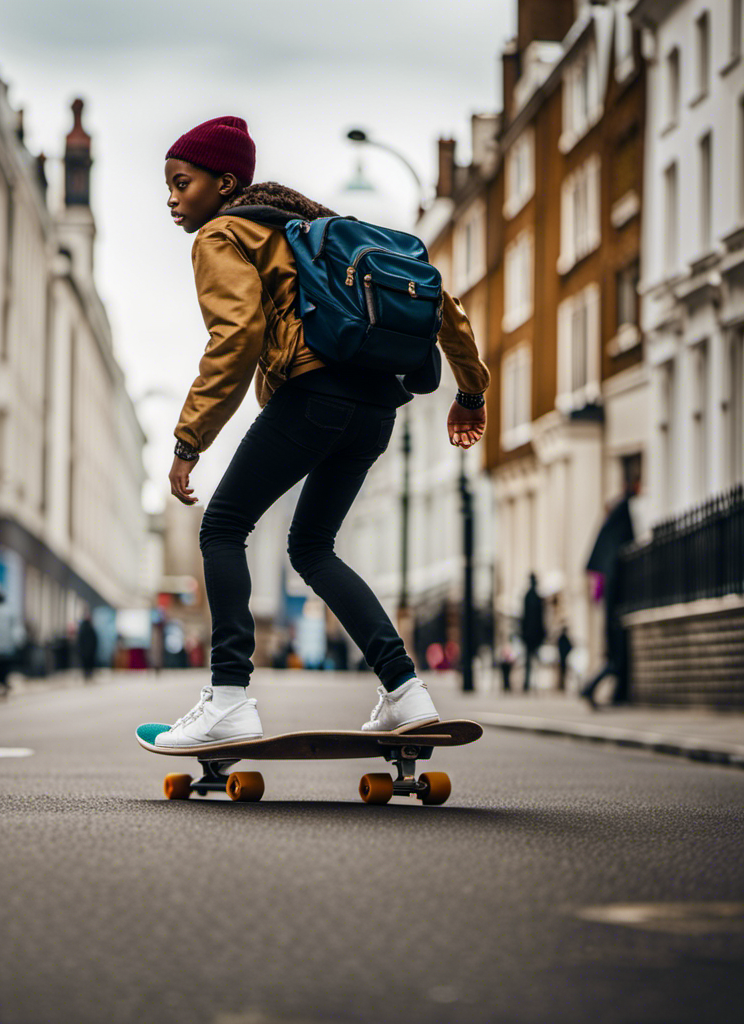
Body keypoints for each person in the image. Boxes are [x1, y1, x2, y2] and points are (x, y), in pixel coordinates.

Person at [153, 115, 489, 748]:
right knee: (312, 547)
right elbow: (443, 304)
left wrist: (188, 440)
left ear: (225, 183)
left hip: (313, 399)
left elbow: (236, 338)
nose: (171, 197)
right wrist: (470, 392)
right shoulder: (317, 229)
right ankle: (406, 692)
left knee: (223, 526)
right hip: (375, 411)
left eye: (181, 181)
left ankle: (227, 697)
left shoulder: (224, 234)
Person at [581, 483, 638, 709]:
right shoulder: (618, 538)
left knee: (615, 657)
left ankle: (614, 693)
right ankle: (589, 688)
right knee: (615, 658)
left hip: (612, 608)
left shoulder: (610, 534)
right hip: (616, 609)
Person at [520, 573, 545, 693]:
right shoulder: (533, 597)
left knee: (531, 660)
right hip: (533, 634)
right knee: (532, 660)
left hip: (531, 634)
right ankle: (530, 683)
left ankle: (530, 683)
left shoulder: (530, 596)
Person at [77, 611, 98, 681]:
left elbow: (79, 640)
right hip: (89, 650)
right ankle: (88, 675)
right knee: (88, 664)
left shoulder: (83, 628)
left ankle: (87, 675)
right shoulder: (90, 628)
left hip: (86, 651)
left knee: (86, 664)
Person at [556, 625, 573, 692]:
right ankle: (561, 685)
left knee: (563, 672)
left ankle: (562, 685)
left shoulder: (563, 638)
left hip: (563, 657)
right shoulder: (563, 638)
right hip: (562, 657)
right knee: (562, 672)